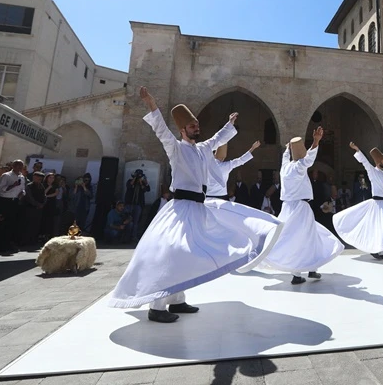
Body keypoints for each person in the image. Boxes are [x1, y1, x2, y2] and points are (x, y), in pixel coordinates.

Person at [109, 87, 282, 323]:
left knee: (188, 254)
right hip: (180, 208)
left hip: (199, 208)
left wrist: (229, 124)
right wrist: (151, 103)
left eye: (197, 125)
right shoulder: (176, 147)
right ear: (182, 130)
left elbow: (217, 139)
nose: (196, 128)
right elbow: (160, 130)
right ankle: (156, 305)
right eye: (192, 126)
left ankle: (177, 299)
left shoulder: (202, 149)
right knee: (171, 251)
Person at [259, 129, 344, 284]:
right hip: (300, 207)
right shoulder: (299, 167)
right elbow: (309, 160)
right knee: (308, 237)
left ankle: (301, 272)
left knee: (291, 238)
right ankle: (309, 269)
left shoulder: (285, 168)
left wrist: (287, 148)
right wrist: (316, 141)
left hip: (287, 208)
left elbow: (285, 158)